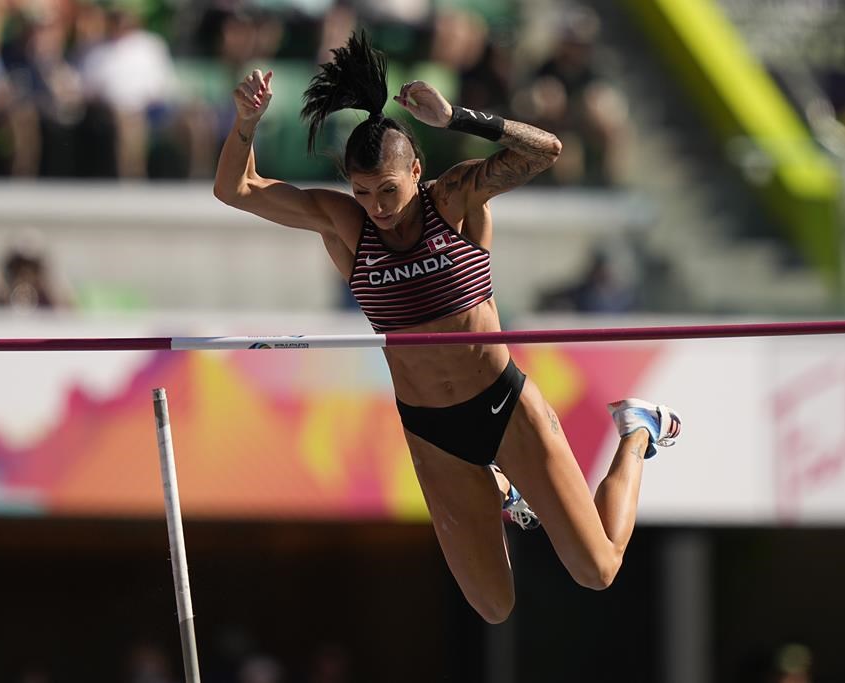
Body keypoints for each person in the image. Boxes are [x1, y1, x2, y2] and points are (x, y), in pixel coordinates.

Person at [213, 31, 681, 623]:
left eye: (389, 189)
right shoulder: (344, 225)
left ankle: (637, 430)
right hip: (433, 431)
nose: (378, 206)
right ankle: (505, 491)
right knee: (492, 607)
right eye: (363, 192)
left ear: (417, 169)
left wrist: (460, 117)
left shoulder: (452, 199)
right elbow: (236, 189)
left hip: (502, 405)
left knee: (597, 570)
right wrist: (247, 124)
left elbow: (546, 151)